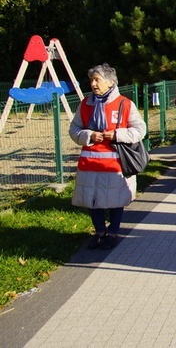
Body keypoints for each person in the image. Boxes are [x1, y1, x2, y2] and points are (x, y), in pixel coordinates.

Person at [69, 64, 147, 250]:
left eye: (97, 80)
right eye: (92, 80)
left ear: (111, 82)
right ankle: (99, 232)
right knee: (92, 200)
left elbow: (140, 130)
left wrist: (117, 135)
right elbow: (74, 130)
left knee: (115, 200)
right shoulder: (85, 104)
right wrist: (88, 135)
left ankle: (113, 232)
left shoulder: (125, 104)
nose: (93, 84)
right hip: (89, 163)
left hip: (114, 164)